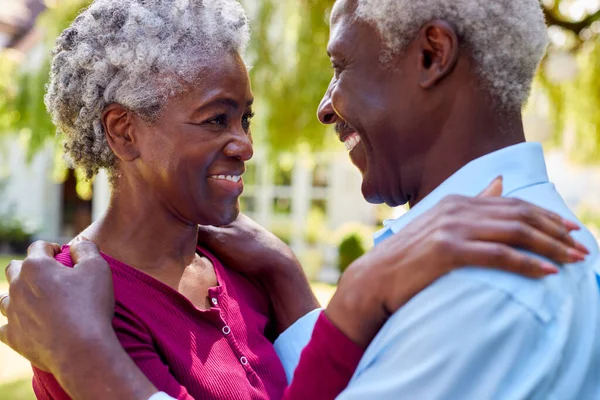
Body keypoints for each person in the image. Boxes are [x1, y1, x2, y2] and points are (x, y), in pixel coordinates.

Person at [0, 0, 598, 399]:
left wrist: (339, 289)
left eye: (341, 65)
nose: (246, 146)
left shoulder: (481, 283)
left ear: (431, 55)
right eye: (215, 120)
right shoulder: (73, 303)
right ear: (124, 131)